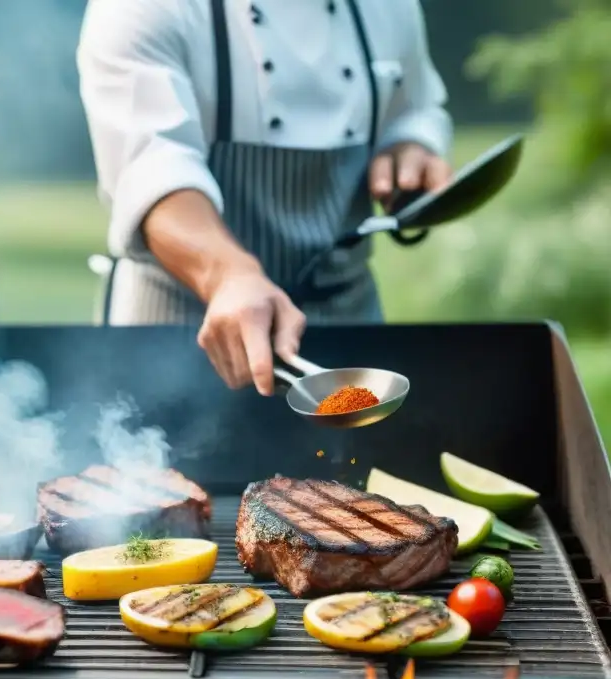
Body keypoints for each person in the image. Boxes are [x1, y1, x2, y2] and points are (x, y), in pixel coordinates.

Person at [77, 0, 453, 395]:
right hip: (179, 341)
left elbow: (417, 107)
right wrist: (229, 276)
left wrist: (412, 144)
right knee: (153, 458)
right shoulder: (145, 8)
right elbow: (153, 170)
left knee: (368, 456)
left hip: (344, 332)